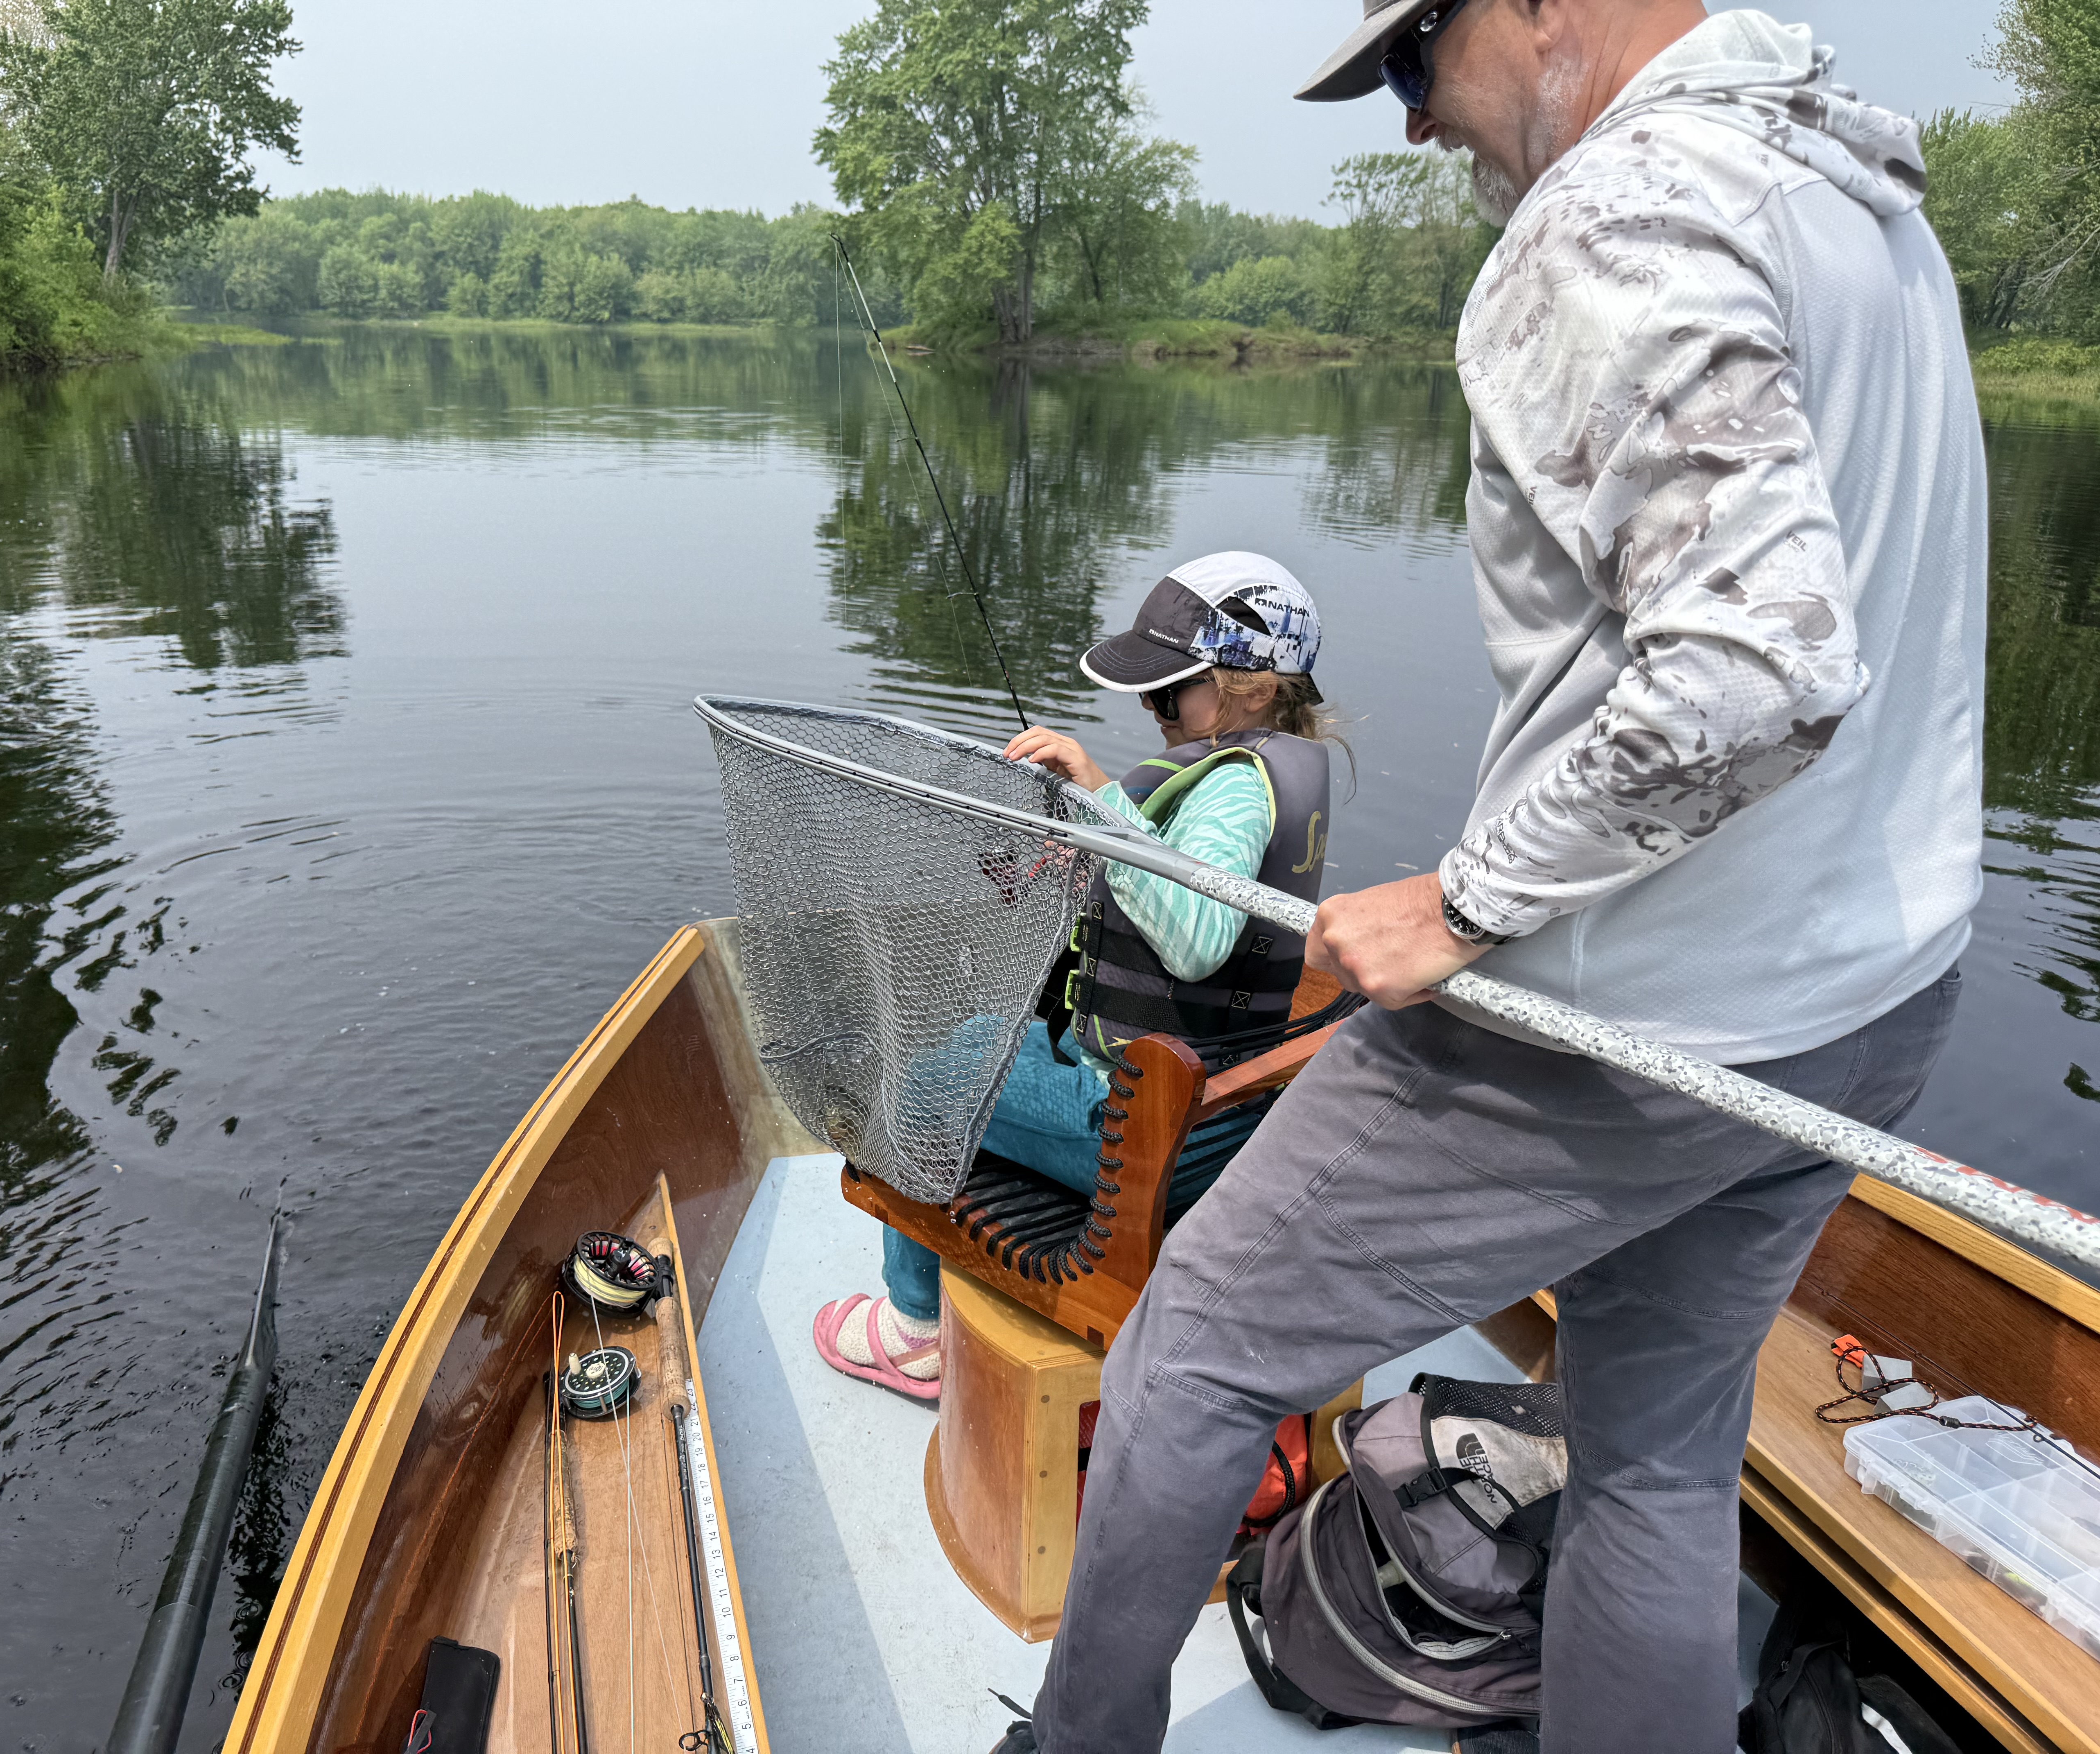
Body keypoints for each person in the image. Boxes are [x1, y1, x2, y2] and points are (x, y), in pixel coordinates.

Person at [995, 5, 1984, 1754]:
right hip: (1870, 1007)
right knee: (1656, 1462)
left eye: (1407, 66)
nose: (1406, 126)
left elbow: (1758, 667)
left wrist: (1463, 903)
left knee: (1194, 1349)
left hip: (1622, 1018)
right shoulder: (1870, 213)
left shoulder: (1620, 211)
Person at [813, 552, 1340, 1399]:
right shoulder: (1256, 771)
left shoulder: (1234, 793)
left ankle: (913, 1334)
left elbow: (1200, 940)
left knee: (916, 1081)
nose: (1149, 705)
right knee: (996, 1039)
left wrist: (1099, 797)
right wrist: (1079, 857)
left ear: (1254, 687)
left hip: (1147, 1138)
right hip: (1199, 1115)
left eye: (1171, 689)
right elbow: (1184, 906)